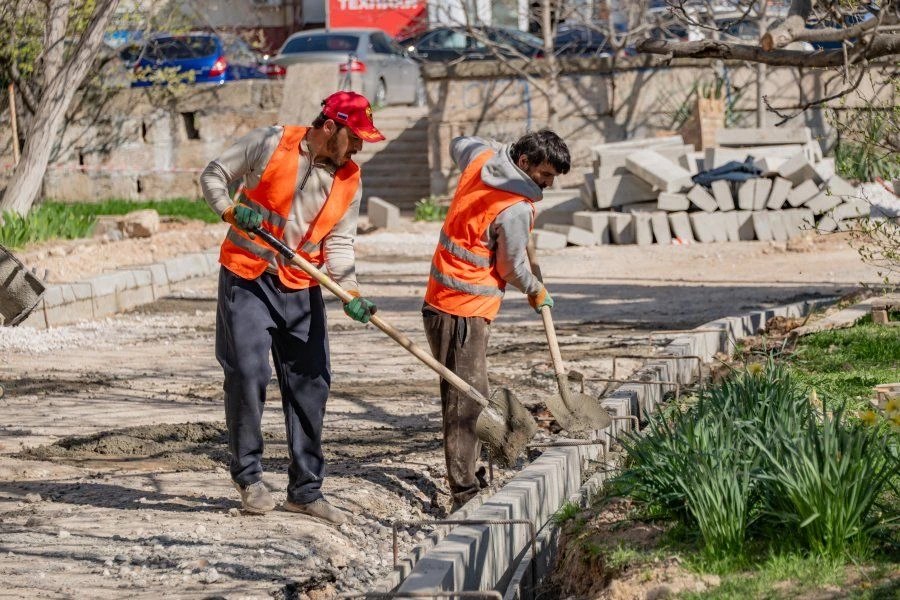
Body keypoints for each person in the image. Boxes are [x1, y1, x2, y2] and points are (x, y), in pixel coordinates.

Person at [200, 91, 383, 524]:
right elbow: (213, 174)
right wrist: (229, 210)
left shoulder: (350, 178)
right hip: (248, 277)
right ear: (330, 126)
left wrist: (351, 291)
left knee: (311, 382)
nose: (360, 147)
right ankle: (249, 477)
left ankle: (305, 491)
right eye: (355, 137)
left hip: (301, 285)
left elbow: (340, 243)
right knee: (248, 374)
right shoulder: (270, 142)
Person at [423, 130, 571, 510]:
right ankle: (465, 494)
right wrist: (535, 288)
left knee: (468, 393)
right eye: (545, 174)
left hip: (441, 300)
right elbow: (511, 268)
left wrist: (493, 146)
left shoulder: (481, 157)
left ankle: (471, 474)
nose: (549, 183)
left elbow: (458, 142)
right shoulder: (516, 209)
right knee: (466, 402)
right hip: (463, 310)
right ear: (523, 162)